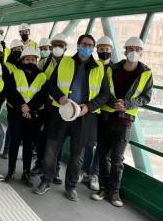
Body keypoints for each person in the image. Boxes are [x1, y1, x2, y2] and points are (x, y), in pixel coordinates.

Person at [34, 34, 110, 202]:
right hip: (60, 112)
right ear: (78, 45)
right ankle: (46, 180)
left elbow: (105, 95)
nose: (87, 47)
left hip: (84, 117)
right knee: (51, 149)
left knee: (77, 155)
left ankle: (71, 187)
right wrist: (60, 98)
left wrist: (88, 107)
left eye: (90, 45)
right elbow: (51, 84)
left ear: (93, 48)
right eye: (84, 44)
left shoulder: (99, 68)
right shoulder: (64, 62)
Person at [92, 37, 152, 207]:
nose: (133, 52)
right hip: (106, 117)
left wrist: (127, 104)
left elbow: (145, 97)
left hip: (125, 121)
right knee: (103, 156)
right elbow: (105, 90)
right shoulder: (112, 68)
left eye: (137, 49)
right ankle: (102, 189)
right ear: (125, 51)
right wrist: (114, 103)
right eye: (130, 48)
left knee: (117, 159)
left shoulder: (146, 73)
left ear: (141, 52)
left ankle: (114, 193)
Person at [4, 47, 48, 187]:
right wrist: (23, 106)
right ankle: (11, 171)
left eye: (34, 59)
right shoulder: (15, 73)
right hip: (17, 114)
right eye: (27, 59)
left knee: (29, 146)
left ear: (37, 61)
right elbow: (11, 92)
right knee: (14, 144)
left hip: (32, 116)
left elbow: (42, 96)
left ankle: (26, 173)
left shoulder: (42, 76)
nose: (31, 61)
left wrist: (30, 107)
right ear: (22, 60)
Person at [32, 33, 68, 179]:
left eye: (61, 46)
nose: (58, 48)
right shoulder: (44, 62)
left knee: (57, 138)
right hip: (44, 106)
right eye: (55, 45)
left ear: (66, 48)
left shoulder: (69, 64)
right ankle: (39, 163)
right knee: (41, 137)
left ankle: (56, 169)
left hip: (59, 108)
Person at [80, 35, 114, 192]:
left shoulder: (115, 68)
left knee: (101, 146)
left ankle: (94, 174)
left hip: (108, 113)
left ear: (112, 51)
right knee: (88, 143)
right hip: (92, 111)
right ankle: (84, 170)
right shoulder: (92, 66)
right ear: (96, 50)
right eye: (101, 49)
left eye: (107, 49)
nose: (104, 51)